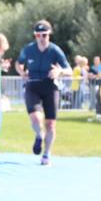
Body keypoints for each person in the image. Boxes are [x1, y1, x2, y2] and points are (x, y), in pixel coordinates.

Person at [15, 20, 70, 166]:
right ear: (35, 36)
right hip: (33, 85)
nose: (41, 38)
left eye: (44, 35)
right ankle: (39, 135)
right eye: (38, 35)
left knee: (50, 124)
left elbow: (69, 69)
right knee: (36, 119)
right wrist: (21, 72)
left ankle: (46, 154)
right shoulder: (29, 49)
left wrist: (59, 71)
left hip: (50, 87)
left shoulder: (55, 50)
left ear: (49, 35)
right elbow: (18, 63)